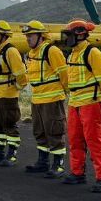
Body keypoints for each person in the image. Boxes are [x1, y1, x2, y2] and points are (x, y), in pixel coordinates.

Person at [60, 19, 101, 184]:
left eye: (69, 35)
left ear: (80, 34)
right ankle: (77, 173)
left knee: (95, 142)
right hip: (74, 104)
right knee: (74, 140)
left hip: (92, 104)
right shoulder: (72, 54)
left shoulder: (92, 53)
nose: (66, 39)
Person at [21, 21, 69, 176]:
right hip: (37, 100)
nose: (28, 39)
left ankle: (58, 164)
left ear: (41, 36)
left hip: (52, 100)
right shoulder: (31, 54)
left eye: (31, 35)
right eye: (27, 36)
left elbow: (64, 74)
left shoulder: (52, 50)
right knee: (39, 132)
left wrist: (65, 93)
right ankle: (43, 162)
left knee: (55, 131)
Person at [0, 21, 28, 167]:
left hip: (7, 95)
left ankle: (12, 153)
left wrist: (16, 87)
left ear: (4, 36)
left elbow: (21, 74)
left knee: (9, 124)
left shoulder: (11, 51)